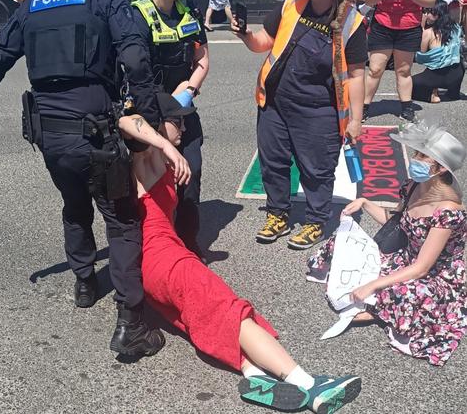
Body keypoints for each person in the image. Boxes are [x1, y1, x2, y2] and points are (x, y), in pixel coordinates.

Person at [0, 0, 165, 357]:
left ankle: (85, 283)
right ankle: (131, 323)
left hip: (49, 134)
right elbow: (136, 57)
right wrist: (150, 124)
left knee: (74, 203)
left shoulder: (33, 3)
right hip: (95, 129)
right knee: (121, 219)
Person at [117, 92, 362, 413]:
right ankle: (309, 385)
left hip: (151, 268)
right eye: (176, 122)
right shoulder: (146, 158)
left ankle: (254, 373)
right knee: (232, 311)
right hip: (168, 263)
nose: (183, 127)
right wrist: (161, 143)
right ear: (156, 127)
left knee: (202, 317)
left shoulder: (158, 159)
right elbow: (123, 121)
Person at [232, 0, 366, 250]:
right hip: (275, 103)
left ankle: (316, 220)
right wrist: (244, 34)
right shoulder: (293, 2)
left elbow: (357, 76)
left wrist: (356, 120)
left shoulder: (352, 23)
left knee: (316, 169)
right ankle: (277, 213)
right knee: (274, 162)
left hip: (318, 110)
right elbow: (264, 42)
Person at [308, 120, 467, 366]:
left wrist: (373, 284)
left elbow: (423, 268)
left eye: (424, 157)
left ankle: (376, 308)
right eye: (417, 153)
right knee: (341, 243)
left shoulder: (448, 210)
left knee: (402, 291)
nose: (416, 160)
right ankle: (376, 303)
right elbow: (396, 223)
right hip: (405, 256)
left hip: (435, 273)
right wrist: (364, 202)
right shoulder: (414, 184)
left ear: (441, 168)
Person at [133, 0, 210, 258]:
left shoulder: (189, 12)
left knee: (191, 170)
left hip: (183, 104)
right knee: (153, 181)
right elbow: (132, 76)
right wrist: (164, 115)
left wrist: (187, 92)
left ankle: (188, 242)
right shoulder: (137, 15)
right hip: (149, 111)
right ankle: (157, 246)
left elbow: (203, 59)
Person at [362, 0, 436, 123]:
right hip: (383, 25)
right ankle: (363, 106)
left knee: (403, 70)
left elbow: (431, 1)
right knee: (375, 69)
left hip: (408, 27)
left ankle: (406, 107)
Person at [412, 2, 464, 103]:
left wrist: (422, 28)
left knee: (408, 83)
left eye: (429, 12)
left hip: (438, 74)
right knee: (456, 61)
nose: (426, 15)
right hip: (457, 73)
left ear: (437, 15)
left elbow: (421, 57)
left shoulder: (429, 32)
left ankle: (432, 94)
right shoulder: (456, 28)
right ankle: (453, 93)